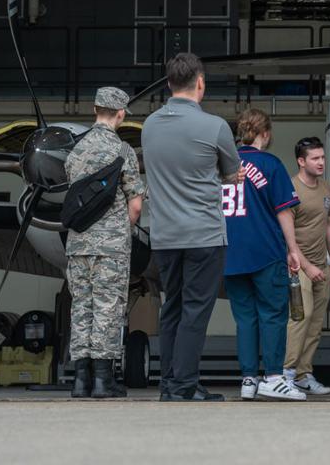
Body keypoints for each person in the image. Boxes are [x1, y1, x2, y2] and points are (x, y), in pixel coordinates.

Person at [142, 52, 245, 402]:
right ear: (200, 82)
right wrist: (221, 174)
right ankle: (184, 384)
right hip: (203, 232)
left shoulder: (150, 125)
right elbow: (233, 175)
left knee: (171, 306)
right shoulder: (214, 127)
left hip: (165, 235)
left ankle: (170, 382)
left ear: (170, 84)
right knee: (195, 311)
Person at [66, 87, 145, 399]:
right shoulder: (122, 151)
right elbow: (136, 205)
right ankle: (103, 381)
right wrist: (120, 229)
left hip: (77, 243)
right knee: (107, 309)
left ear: (94, 108)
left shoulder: (75, 151)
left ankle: (79, 381)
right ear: (121, 114)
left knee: (81, 308)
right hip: (110, 247)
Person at [222, 109, 306, 402]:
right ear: (265, 133)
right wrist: (293, 249)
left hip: (230, 251)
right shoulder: (270, 164)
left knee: (244, 318)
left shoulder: (224, 165)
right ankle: (273, 376)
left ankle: (248, 378)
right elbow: (284, 211)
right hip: (265, 250)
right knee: (272, 315)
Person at [284, 137, 330, 396]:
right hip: (297, 265)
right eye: (315, 158)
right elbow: (288, 236)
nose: (321, 162)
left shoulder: (328, 189)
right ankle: (286, 372)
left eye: (322, 157)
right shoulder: (290, 189)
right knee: (299, 318)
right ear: (301, 161)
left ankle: (303, 374)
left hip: (322, 265)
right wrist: (305, 266)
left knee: (316, 323)